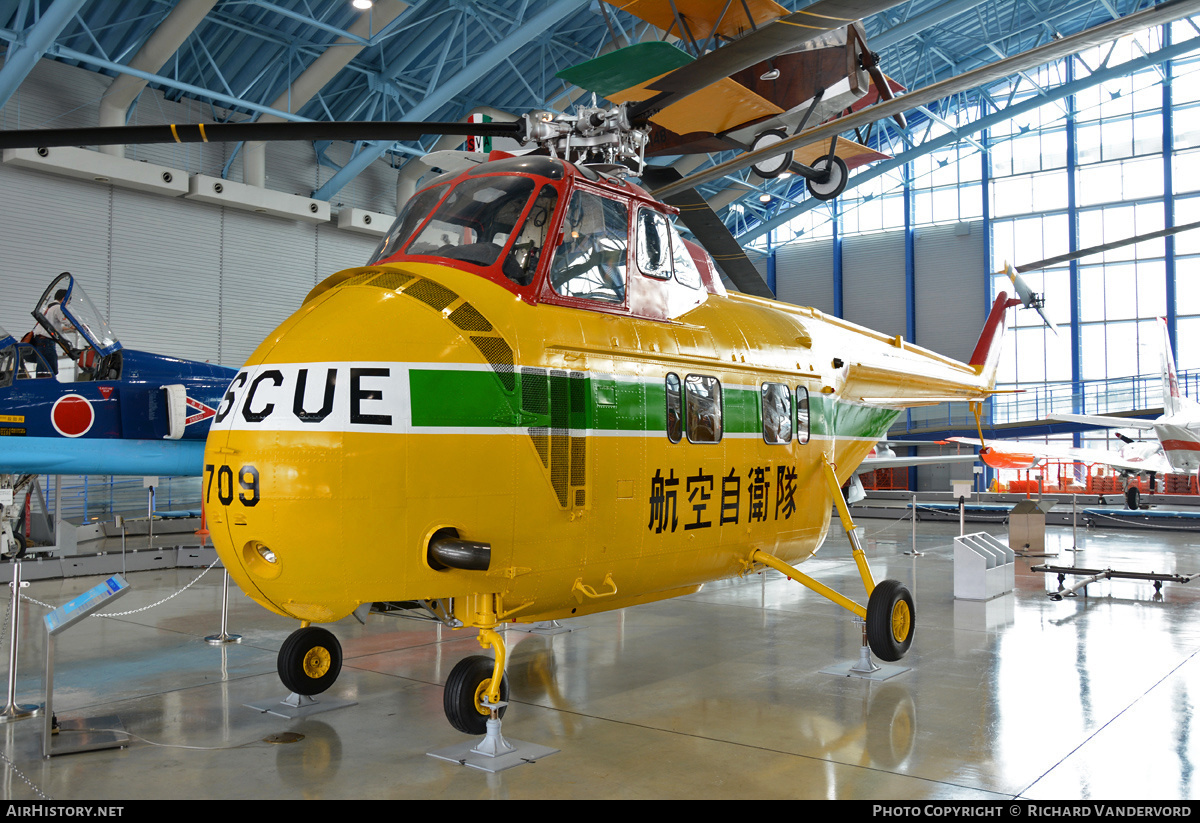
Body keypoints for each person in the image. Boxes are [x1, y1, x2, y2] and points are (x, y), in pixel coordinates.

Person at [30, 285, 72, 377]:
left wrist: (69, 329)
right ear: (64, 299)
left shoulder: (48, 307)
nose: (68, 304)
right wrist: (76, 326)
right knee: (51, 371)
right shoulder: (58, 307)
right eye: (68, 301)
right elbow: (66, 321)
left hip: (40, 342)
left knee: (42, 371)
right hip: (46, 343)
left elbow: (55, 326)